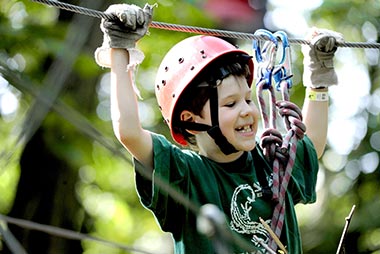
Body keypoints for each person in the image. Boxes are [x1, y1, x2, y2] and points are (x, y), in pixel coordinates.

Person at [94, 3, 343, 254]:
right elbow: (129, 132)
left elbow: (313, 144)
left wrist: (318, 82)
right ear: (191, 119)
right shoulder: (184, 175)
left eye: (247, 99)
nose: (247, 110)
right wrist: (120, 48)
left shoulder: (271, 164)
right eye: (231, 103)